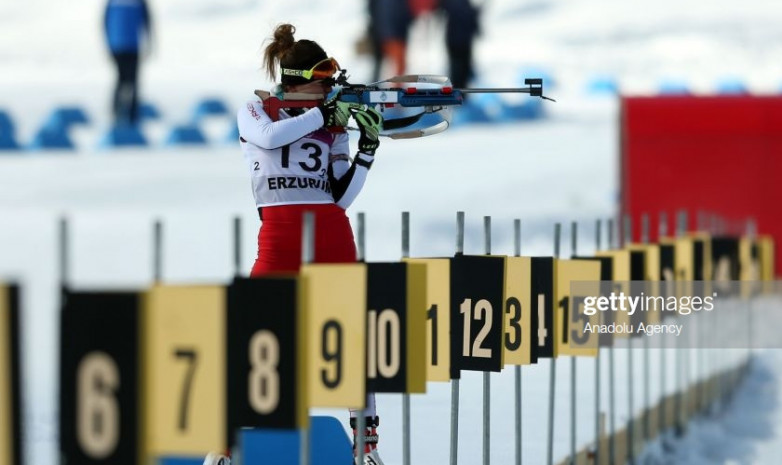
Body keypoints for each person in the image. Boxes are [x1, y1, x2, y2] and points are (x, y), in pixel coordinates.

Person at [202, 24, 385, 465]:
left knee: (350, 339)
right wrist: (323, 116)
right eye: (321, 81)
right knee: (251, 338)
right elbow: (267, 139)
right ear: (299, 79)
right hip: (280, 236)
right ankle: (222, 448)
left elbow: (340, 195)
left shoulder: (332, 121)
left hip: (330, 231)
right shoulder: (256, 108)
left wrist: (367, 149)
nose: (327, 90)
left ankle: (366, 445)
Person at [366, 0, 479, 88]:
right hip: (387, 23)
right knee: (388, 52)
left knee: (462, 16)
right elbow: (396, 52)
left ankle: (462, 81)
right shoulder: (390, 10)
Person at [103, 0, 152, 125]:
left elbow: (147, 20)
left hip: (131, 45)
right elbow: (105, 21)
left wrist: (149, 42)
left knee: (132, 81)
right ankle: (117, 112)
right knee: (122, 79)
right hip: (119, 45)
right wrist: (108, 44)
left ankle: (132, 115)